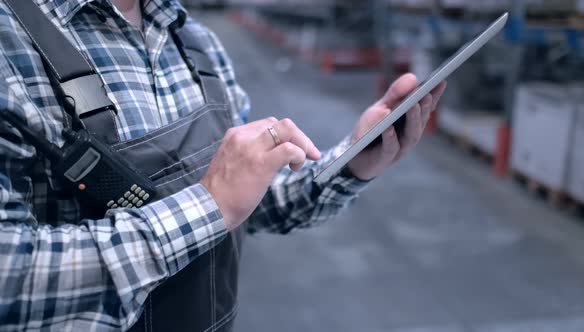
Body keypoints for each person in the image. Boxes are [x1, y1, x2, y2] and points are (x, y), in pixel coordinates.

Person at [0, 0, 446, 331]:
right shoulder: (11, 44)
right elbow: (10, 276)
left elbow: (251, 201)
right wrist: (207, 206)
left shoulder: (197, 43)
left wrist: (352, 161)